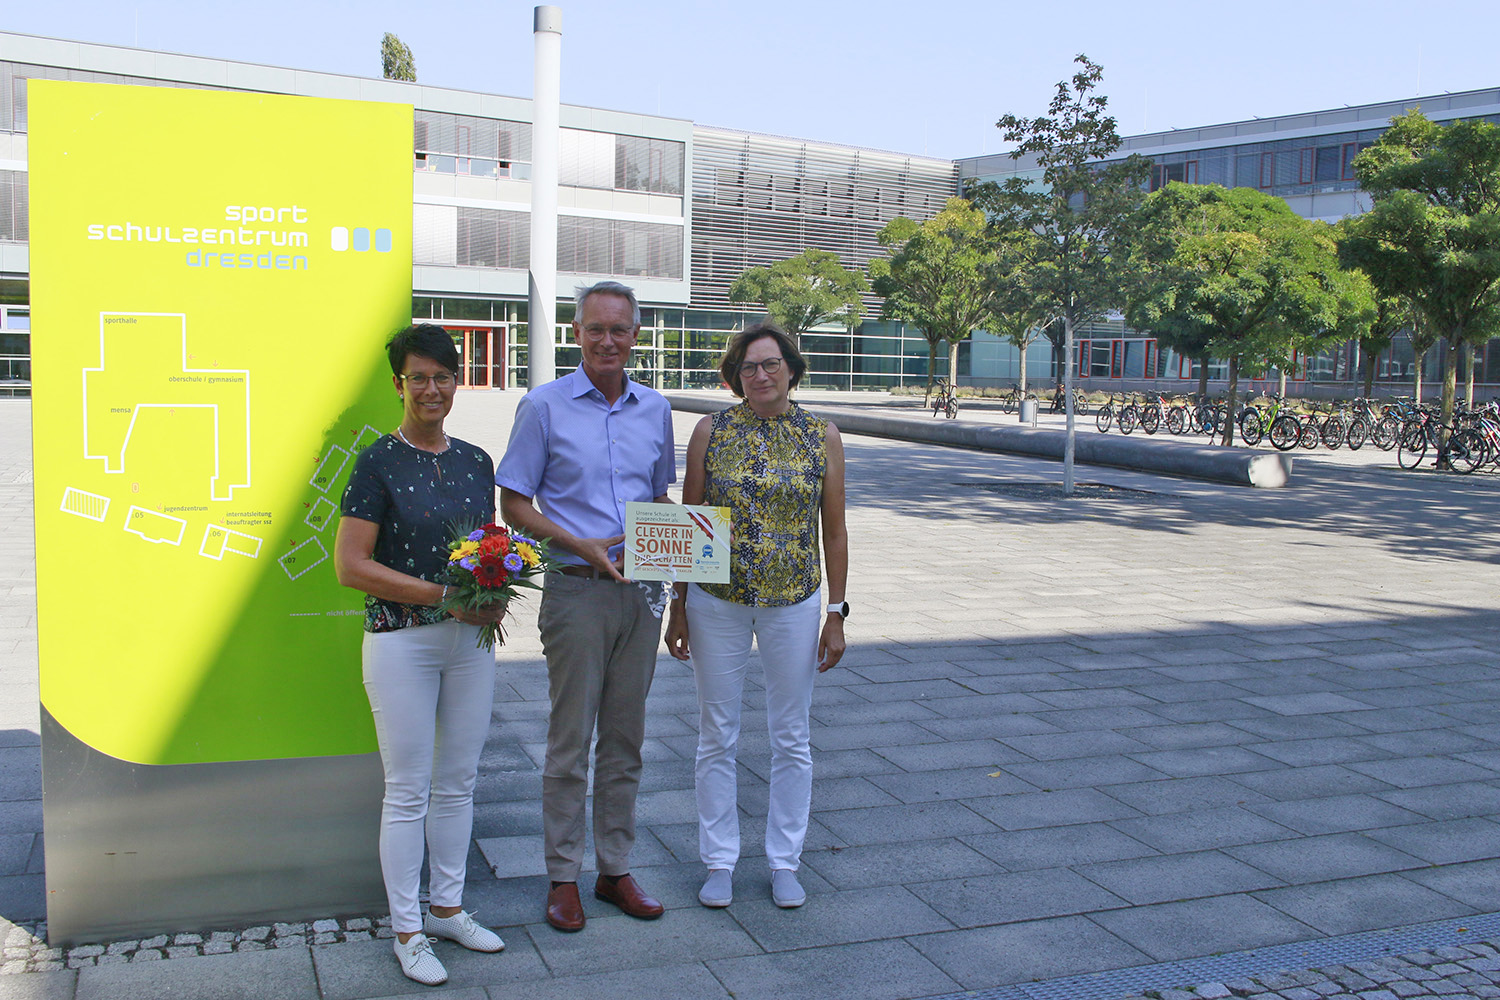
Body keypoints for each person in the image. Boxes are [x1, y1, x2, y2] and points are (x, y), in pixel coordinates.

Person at [496, 281, 676, 932]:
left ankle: (615, 870)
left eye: (619, 330)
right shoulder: (543, 406)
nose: (608, 341)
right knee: (570, 742)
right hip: (575, 590)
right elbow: (513, 504)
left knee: (626, 741)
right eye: (596, 329)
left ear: (635, 336)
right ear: (577, 333)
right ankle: (563, 876)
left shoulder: (655, 409)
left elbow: (660, 500)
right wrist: (581, 544)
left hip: (642, 595)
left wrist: (682, 570)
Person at [334, 324, 507, 987]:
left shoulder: (474, 460)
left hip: (470, 644)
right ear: (399, 384)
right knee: (407, 791)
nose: (431, 389)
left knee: (459, 781)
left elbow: (486, 550)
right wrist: (444, 597)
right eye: (418, 378)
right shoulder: (379, 460)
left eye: (442, 376)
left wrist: (495, 587)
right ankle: (406, 930)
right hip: (401, 642)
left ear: (457, 381)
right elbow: (351, 567)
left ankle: (447, 908)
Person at [664, 324, 848, 910]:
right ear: (735, 374)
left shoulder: (821, 435)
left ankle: (784, 859)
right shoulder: (710, 431)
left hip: (794, 600)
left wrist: (837, 612)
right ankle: (719, 860)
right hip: (716, 600)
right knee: (717, 733)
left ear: (792, 370)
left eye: (770, 365)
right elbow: (691, 523)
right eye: (748, 367)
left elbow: (834, 530)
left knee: (791, 735)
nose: (760, 375)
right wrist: (679, 605)